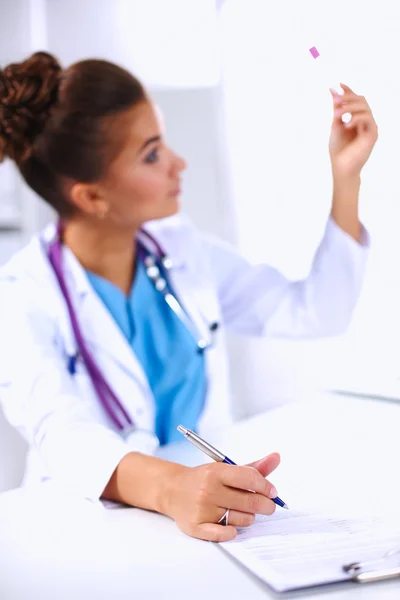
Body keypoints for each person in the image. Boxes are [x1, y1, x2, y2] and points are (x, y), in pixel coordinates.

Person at [0, 52, 377, 542]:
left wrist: (346, 178)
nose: (179, 163)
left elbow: (314, 313)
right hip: (82, 532)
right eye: (152, 154)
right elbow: (61, 433)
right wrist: (173, 488)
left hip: (194, 520)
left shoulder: (182, 252)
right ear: (92, 197)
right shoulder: (21, 295)